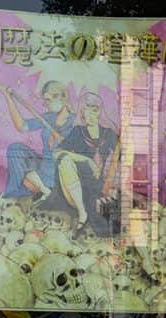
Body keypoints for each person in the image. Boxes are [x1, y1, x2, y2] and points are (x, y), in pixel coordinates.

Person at [51, 91, 121, 234]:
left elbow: (122, 158)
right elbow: (56, 152)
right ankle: (83, 212)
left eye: (93, 111)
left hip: (98, 185)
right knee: (64, 159)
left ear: (99, 112)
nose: (89, 116)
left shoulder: (109, 134)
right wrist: (87, 160)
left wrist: (112, 184)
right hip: (74, 185)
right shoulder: (78, 131)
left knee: (107, 224)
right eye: (85, 111)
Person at [0, 80, 75, 200]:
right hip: (44, 163)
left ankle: (42, 190)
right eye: (47, 99)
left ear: (64, 96)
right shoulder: (48, 117)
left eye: (55, 96)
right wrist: (8, 97)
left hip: (60, 168)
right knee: (15, 149)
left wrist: (63, 142)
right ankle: (14, 193)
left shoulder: (75, 121)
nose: (51, 102)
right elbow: (22, 126)